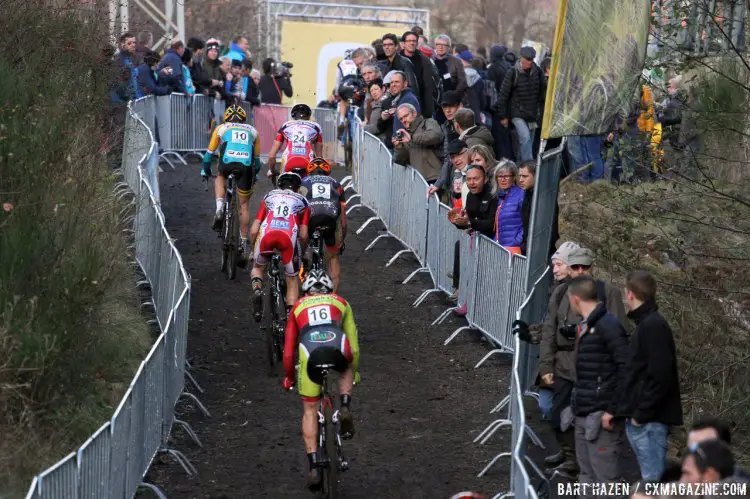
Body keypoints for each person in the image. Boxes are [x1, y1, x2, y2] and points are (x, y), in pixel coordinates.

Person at [282, 268, 360, 492]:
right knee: (346, 366)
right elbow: (354, 346)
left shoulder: (297, 307)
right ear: (329, 289)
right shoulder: (341, 302)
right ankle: (344, 404)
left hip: (310, 351)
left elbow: (288, 353)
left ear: (306, 292)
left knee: (309, 410)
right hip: (336, 345)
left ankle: (314, 464)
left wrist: (288, 376)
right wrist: (355, 372)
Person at [567, 275, 629, 497]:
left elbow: (626, 369)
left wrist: (613, 409)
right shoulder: (587, 327)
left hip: (602, 416)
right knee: (587, 475)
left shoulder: (608, 326)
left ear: (575, 299)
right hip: (584, 412)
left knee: (607, 481)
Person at [620, 270, 683, 482]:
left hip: (650, 422)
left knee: (653, 482)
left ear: (630, 294)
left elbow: (661, 375)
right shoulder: (647, 324)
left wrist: (640, 415)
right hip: (646, 419)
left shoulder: (653, 326)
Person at [201, 105, 261, 261]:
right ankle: (242, 242)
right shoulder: (253, 131)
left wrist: (205, 170)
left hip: (227, 164)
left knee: (219, 176)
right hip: (245, 166)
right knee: (244, 206)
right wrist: (255, 175)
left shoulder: (222, 127)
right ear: (243, 119)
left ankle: (220, 208)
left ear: (227, 118)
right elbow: (258, 163)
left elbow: (208, 155)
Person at [249, 172, 310, 320]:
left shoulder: (269, 197)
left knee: (257, 268)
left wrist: (252, 249)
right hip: (287, 238)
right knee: (292, 279)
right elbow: (303, 235)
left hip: (267, 235)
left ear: (279, 185)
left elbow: (254, 229)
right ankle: (290, 316)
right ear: (297, 188)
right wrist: (302, 252)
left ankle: (257, 289)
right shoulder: (303, 201)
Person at [300, 158, 347, 292]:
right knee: (333, 257)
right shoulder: (337, 184)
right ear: (327, 173)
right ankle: (334, 295)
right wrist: (341, 240)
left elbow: (297, 210)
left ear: (310, 172)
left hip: (311, 218)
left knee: (300, 250)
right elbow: (343, 220)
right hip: (330, 219)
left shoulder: (303, 182)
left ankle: (303, 279)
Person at [266, 104, 323, 177]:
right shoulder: (317, 127)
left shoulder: (285, 125)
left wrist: (272, 170)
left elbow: (271, 155)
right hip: (308, 161)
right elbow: (319, 156)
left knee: (282, 185)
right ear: (309, 116)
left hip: (288, 160)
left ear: (293, 115)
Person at [491, 160, 525, 254]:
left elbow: (527, 221)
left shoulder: (521, 194)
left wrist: (517, 241)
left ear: (514, 177)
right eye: (500, 176)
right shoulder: (500, 197)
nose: (503, 179)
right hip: (502, 248)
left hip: (514, 248)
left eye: (506, 176)